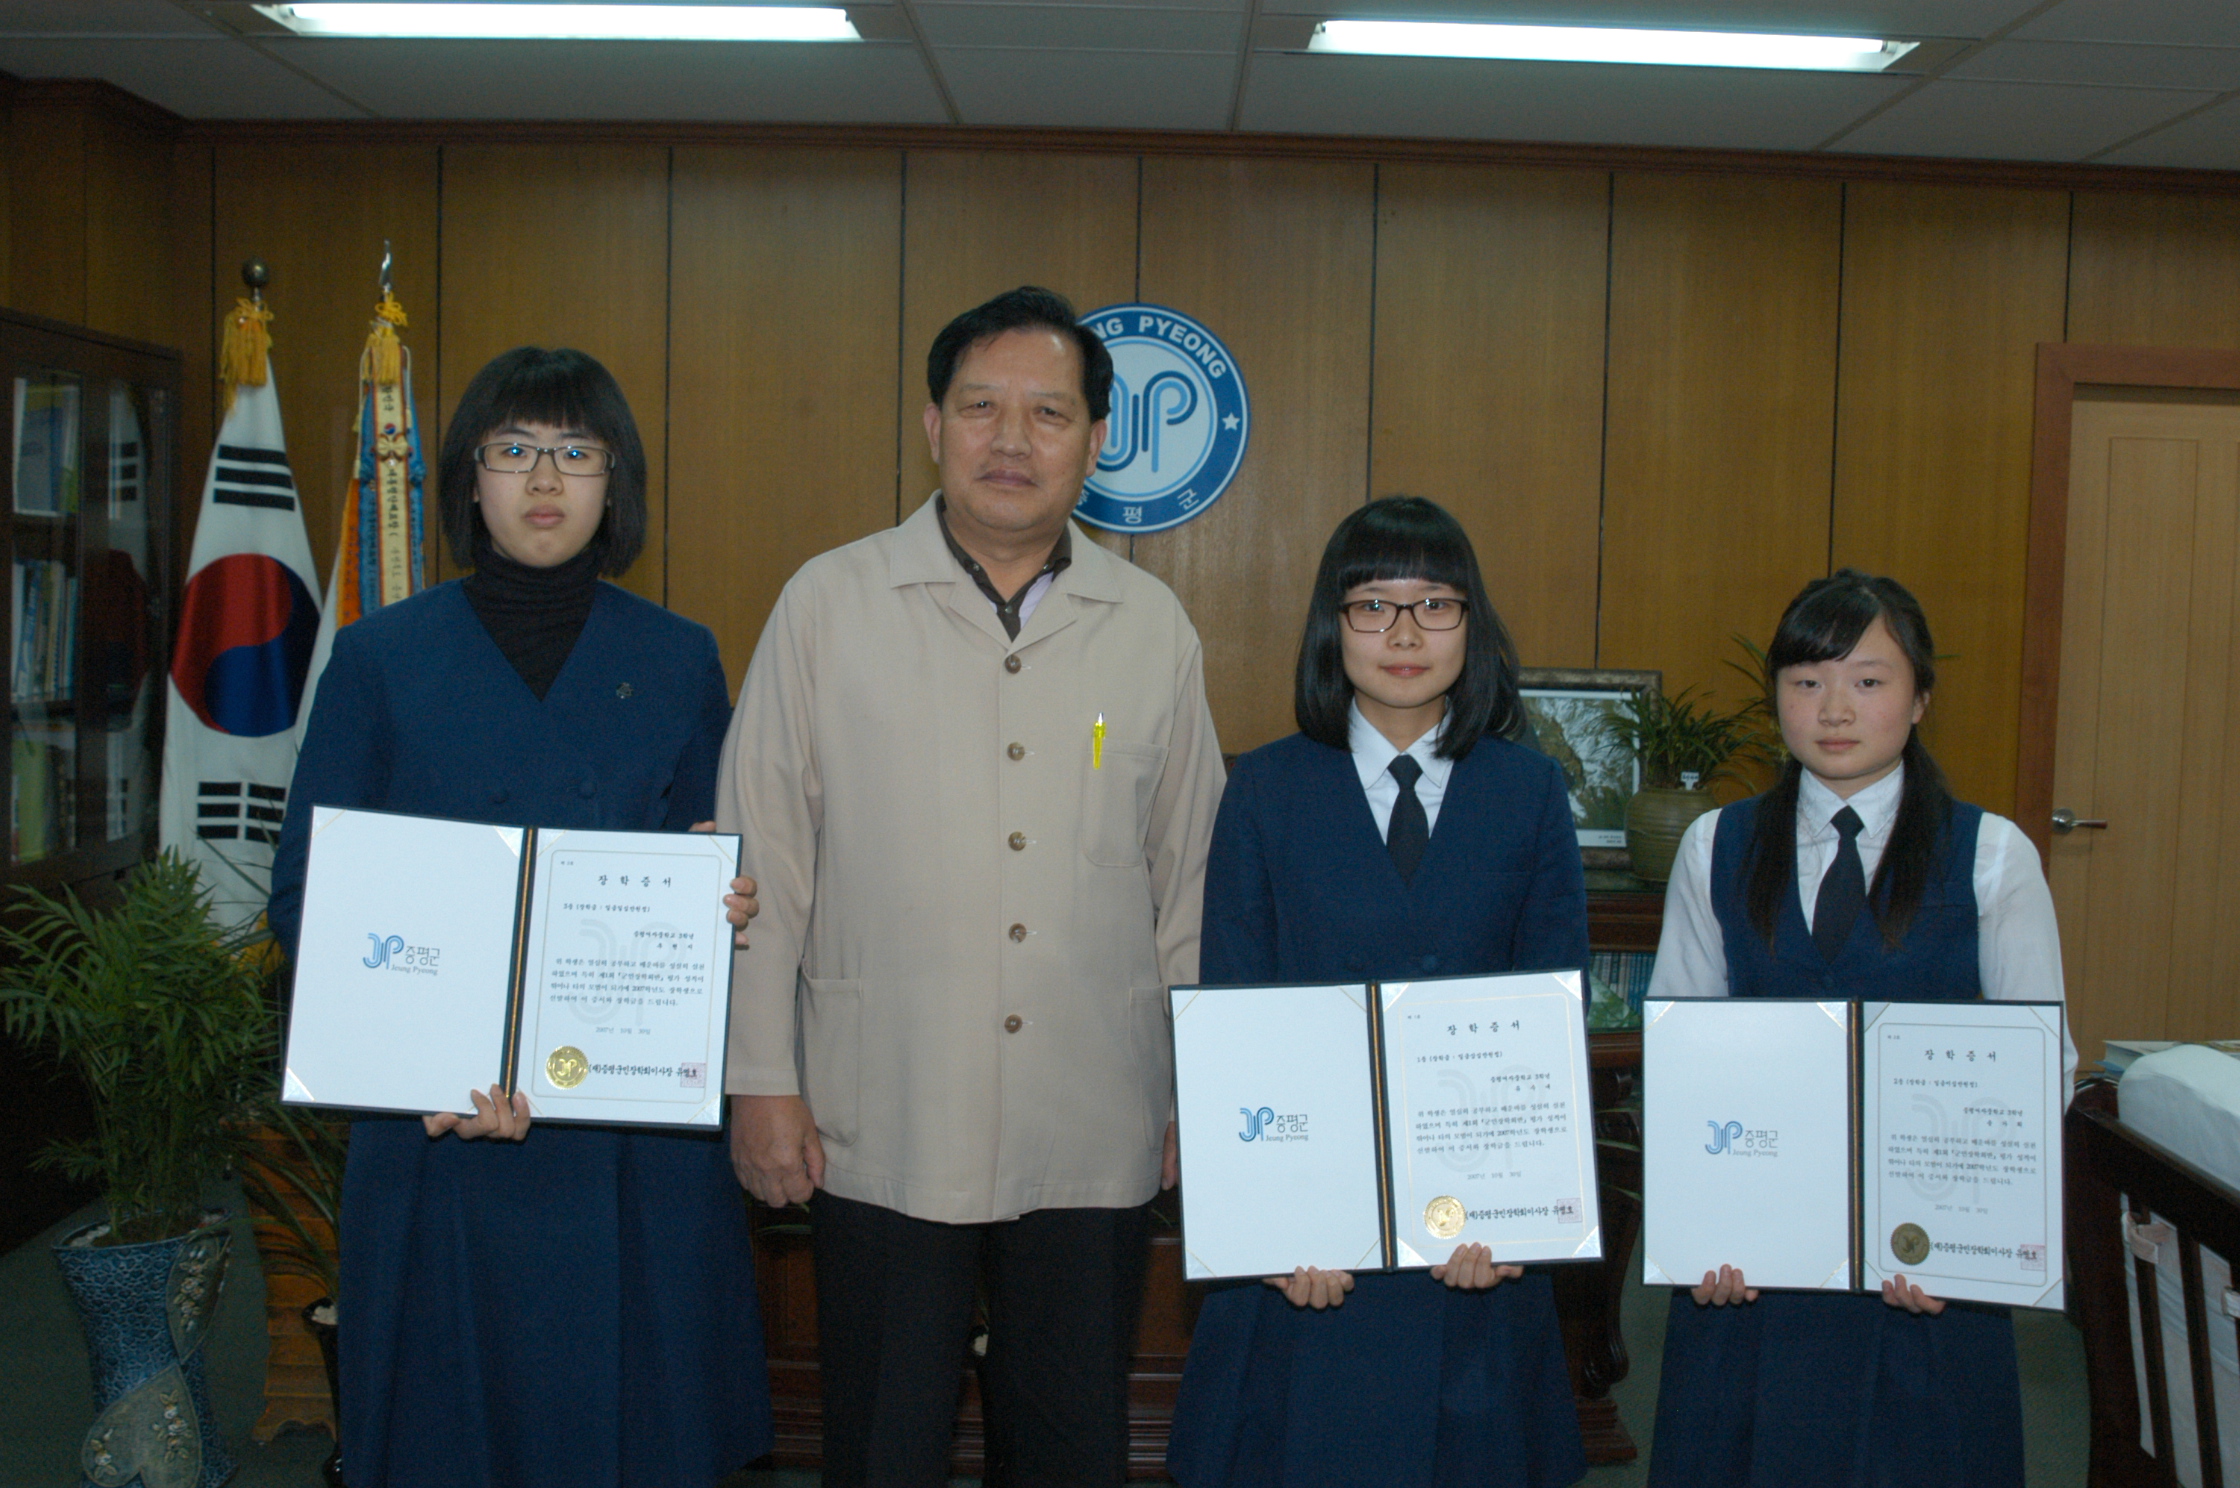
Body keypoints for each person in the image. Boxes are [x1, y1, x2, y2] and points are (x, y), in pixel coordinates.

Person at [718, 285, 1226, 1488]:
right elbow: (761, 860)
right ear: (932, 425)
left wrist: (1194, 1092)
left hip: (1092, 1118)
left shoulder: (1149, 628)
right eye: (981, 407)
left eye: (1047, 413)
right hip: (877, 1114)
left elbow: (1190, 879)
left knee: (1068, 1447)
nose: (1012, 440)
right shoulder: (826, 607)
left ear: (1097, 443)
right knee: (882, 1444)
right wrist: (758, 1080)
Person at [267, 346, 772, 1488]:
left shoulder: (678, 657)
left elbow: (709, 874)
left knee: (633, 1435)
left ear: (614, 482)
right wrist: (429, 1062)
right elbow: (311, 896)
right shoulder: (378, 659)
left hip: (627, 1141)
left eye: (576, 452)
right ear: (469, 479)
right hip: (438, 1136)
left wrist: (726, 902)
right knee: (454, 1437)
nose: (544, 478)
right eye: (513, 450)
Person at [1165, 496, 1590, 1488]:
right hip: (1312, 1256)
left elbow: (1552, 1009)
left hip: (1472, 1250)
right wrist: (1271, 1226)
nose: (1403, 634)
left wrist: (1521, 1218)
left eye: (1434, 605)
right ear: (1331, 626)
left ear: (1470, 626)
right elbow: (1235, 1014)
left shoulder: (1526, 792)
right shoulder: (1264, 789)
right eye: (1371, 605)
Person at [1643, 568, 2072, 1488]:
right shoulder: (1715, 844)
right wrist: (1696, 1229)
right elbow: (1679, 1060)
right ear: (1777, 701)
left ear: (1920, 699)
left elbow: (2043, 1076)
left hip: (1925, 1288)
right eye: (1807, 681)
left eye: (1869, 681)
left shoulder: (1992, 855)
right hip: (1751, 1282)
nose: (1835, 708)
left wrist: (1974, 1246)